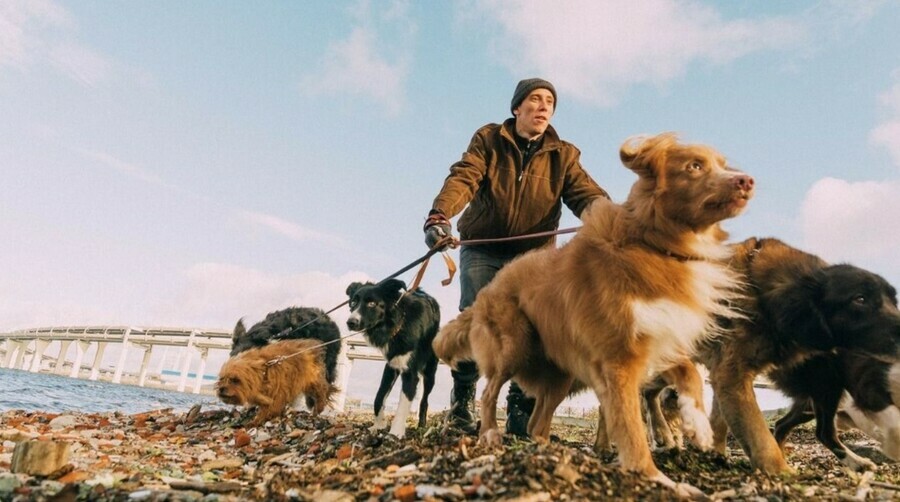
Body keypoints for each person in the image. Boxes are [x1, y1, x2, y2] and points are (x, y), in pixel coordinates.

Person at [423, 78, 610, 436]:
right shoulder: (489, 139)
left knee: (536, 333)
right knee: (477, 319)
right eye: (535, 99)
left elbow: (587, 195)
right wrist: (440, 216)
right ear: (517, 108)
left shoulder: (564, 154)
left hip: (535, 260)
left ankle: (520, 414)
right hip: (484, 248)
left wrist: (612, 221)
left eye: (550, 102)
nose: (543, 106)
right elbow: (465, 177)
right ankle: (462, 402)